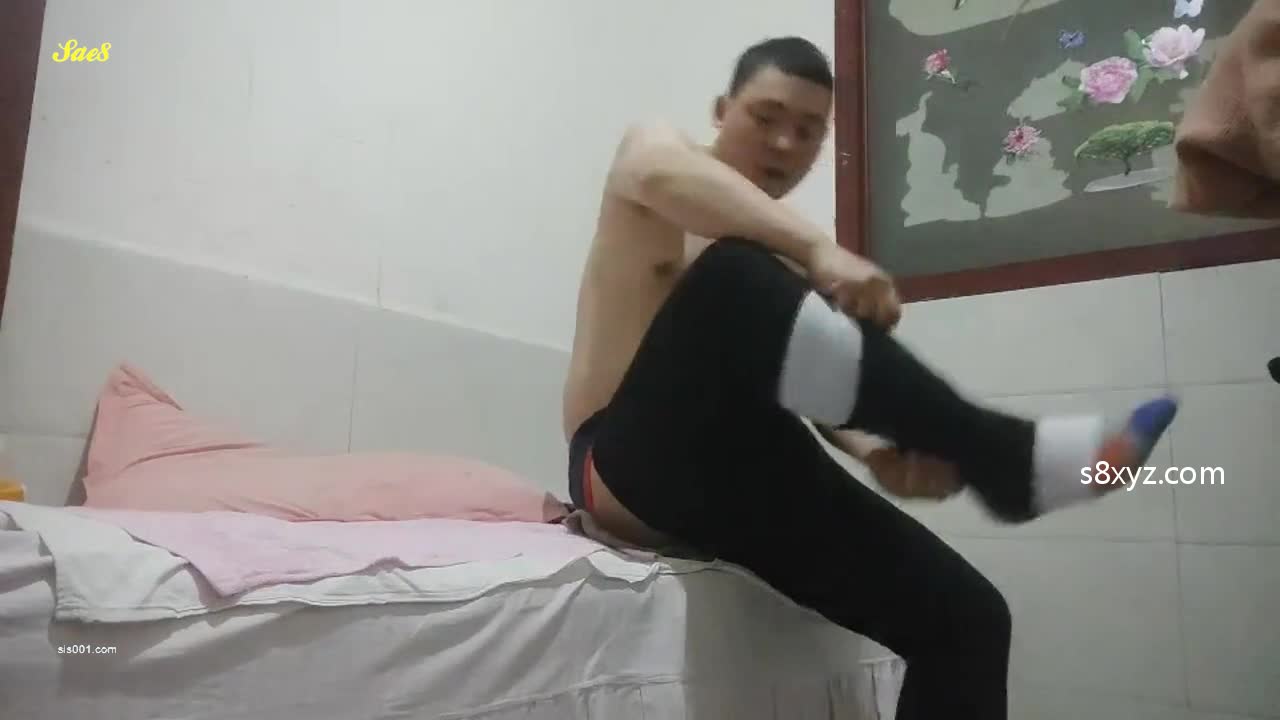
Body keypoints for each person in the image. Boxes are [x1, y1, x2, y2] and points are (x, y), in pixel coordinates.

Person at [560, 36, 1177, 719]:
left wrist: (876, 453)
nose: (786, 143)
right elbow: (653, 172)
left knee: (968, 619)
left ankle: (1002, 463)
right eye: (765, 117)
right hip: (622, 467)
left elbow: (810, 396)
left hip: (742, 470)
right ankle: (1008, 458)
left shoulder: (779, 264)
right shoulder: (659, 161)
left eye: (808, 131)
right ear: (720, 110)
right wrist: (817, 248)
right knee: (734, 271)